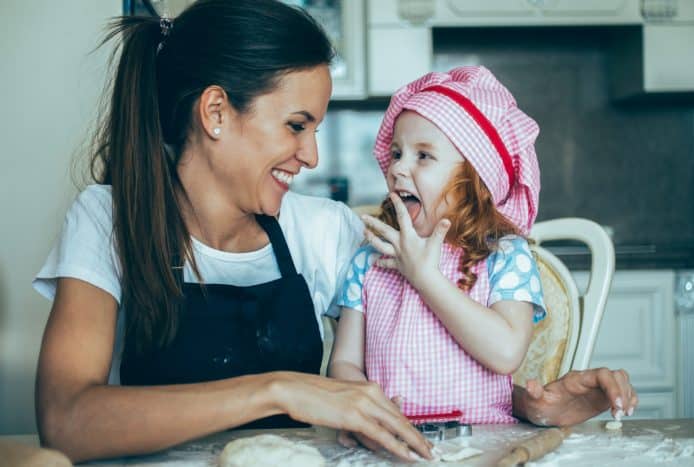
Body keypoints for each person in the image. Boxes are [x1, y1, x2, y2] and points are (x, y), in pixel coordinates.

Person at [31, 0, 637, 463]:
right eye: (297, 125)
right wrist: (280, 391)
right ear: (215, 113)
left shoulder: (324, 231)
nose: (312, 155)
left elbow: (437, 329)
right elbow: (67, 419)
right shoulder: (107, 218)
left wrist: (529, 405)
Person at [329, 66, 636, 449]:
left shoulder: (504, 257)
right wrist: (368, 412)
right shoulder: (370, 260)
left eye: (423, 155)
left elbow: (505, 352)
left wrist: (425, 277)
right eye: (396, 153)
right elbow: (343, 363)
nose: (397, 168)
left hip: (488, 446)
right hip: (388, 447)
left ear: (475, 181)